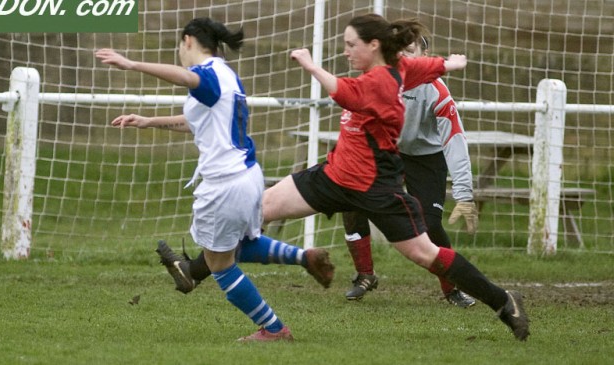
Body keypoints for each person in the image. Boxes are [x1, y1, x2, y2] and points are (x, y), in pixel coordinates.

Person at [159, 14, 529, 342]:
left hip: (375, 188)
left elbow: (341, 91)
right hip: (334, 176)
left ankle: (502, 301)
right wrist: (450, 63)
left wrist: (309, 64)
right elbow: (428, 65)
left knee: (425, 253)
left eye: (352, 45)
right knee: (256, 211)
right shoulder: (399, 69)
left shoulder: (379, 82)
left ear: (374, 45)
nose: (347, 51)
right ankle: (195, 271)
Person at [95, 17, 295, 342]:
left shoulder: (208, 74)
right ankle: (304, 257)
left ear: (188, 41)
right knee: (238, 247)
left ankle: (273, 329)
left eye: (179, 45)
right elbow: (195, 122)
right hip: (246, 175)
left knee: (219, 265)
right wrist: (148, 121)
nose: (179, 52)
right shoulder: (225, 74)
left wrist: (131, 64)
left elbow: (186, 77)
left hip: (225, 182)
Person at [342, 34, 479, 307]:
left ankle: (451, 289)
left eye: (409, 50)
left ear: (424, 55)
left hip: (426, 159)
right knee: (352, 202)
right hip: (386, 154)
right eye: (397, 51)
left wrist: (464, 193)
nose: (403, 56)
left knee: (429, 225)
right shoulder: (376, 81)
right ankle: (365, 275)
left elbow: (454, 140)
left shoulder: (436, 90)